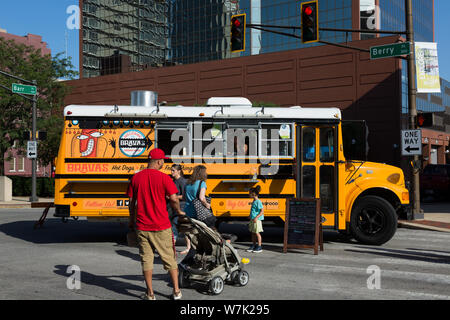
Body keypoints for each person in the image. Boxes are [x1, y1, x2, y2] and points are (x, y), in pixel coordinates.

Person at [127, 148, 185, 300]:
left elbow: (131, 203)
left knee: (146, 259)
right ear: (159, 161)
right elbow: (173, 199)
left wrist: (131, 221)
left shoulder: (136, 178)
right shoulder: (164, 178)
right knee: (169, 258)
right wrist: (178, 211)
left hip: (142, 225)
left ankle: (150, 294)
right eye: (163, 161)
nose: (163, 163)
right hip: (161, 225)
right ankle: (176, 292)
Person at [181, 165, 211, 254]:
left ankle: (188, 247)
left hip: (187, 208)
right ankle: (199, 248)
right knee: (199, 229)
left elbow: (183, 197)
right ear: (202, 173)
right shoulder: (202, 183)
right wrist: (206, 204)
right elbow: (202, 198)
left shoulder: (187, 183)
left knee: (188, 229)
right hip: (197, 210)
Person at [169, 164, 186, 243]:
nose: (171, 172)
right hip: (173, 207)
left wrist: (174, 197)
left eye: (173, 170)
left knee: (175, 227)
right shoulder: (173, 181)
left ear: (179, 171)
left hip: (181, 207)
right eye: (171, 170)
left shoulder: (182, 181)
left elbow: (184, 196)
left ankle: (172, 248)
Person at [246, 185, 264, 253]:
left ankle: (259, 246)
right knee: (253, 232)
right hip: (253, 219)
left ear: (253, 194)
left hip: (257, 220)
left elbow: (262, 211)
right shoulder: (254, 201)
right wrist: (250, 216)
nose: (248, 194)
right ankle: (254, 245)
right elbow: (254, 210)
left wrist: (256, 218)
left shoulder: (258, 201)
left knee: (257, 233)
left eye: (249, 193)